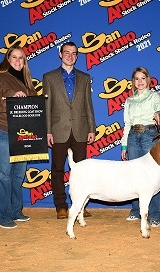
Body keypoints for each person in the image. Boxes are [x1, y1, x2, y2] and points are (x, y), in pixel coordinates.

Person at [43, 41, 96, 219]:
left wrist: (92, 128)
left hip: (81, 129)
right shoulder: (49, 77)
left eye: (74, 53)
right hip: (58, 130)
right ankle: (61, 206)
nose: (70, 56)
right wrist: (48, 131)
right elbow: (47, 106)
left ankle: (80, 206)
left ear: (77, 56)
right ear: (60, 54)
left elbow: (88, 105)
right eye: (67, 52)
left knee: (82, 171)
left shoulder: (85, 77)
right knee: (57, 169)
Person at [0, 45, 37, 229]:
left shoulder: (27, 81)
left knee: (18, 175)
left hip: (21, 133)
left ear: (24, 62)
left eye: (21, 58)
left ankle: (15, 210)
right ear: (7, 60)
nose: (17, 61)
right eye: (14, 57)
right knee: (4, 174)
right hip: (1, 130)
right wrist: (10, 100)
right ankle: (0, 216)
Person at [121, 67, 160, 227]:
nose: (140, 82)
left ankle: (155, 214)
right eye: (136, 79)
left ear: (148, 80)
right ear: (133, 82)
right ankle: (136, 211)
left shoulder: (154, 95)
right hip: (133, 136)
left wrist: (159, 115)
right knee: (134, 176)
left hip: (150, 135)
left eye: (143, 78)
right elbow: (127, 124)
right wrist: (124, 145)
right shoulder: (129, 101)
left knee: (151, 178)